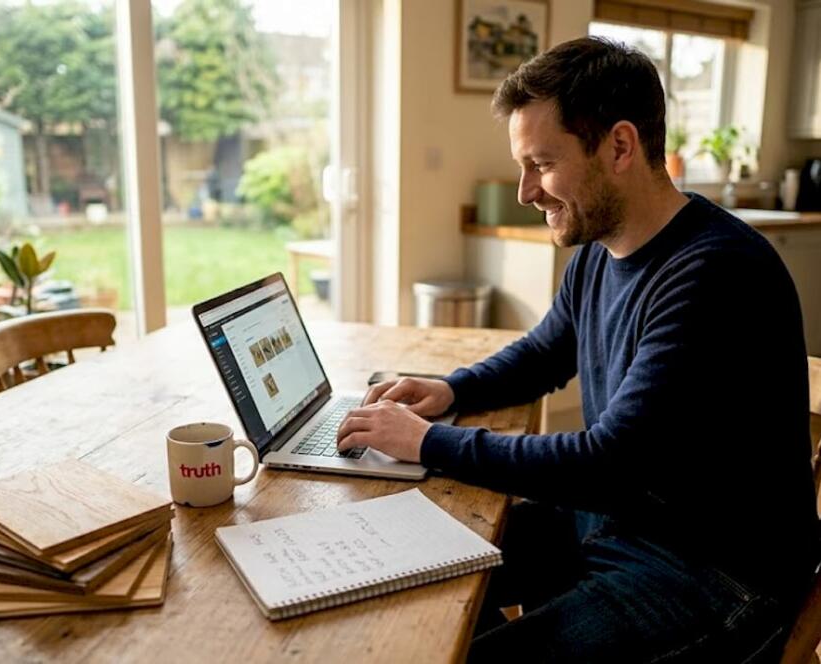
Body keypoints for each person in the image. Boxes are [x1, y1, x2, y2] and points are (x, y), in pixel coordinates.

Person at [337, 36, 819, 662]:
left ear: (620, 146)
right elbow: (545, 351)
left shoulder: (715, 273)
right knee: (403, 570)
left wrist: (427, 441)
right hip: (618, 524)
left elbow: (606, 463)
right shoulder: (602, 247)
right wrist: (454, 389)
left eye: (541, 163)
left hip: (715, 574)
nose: (525, 190)